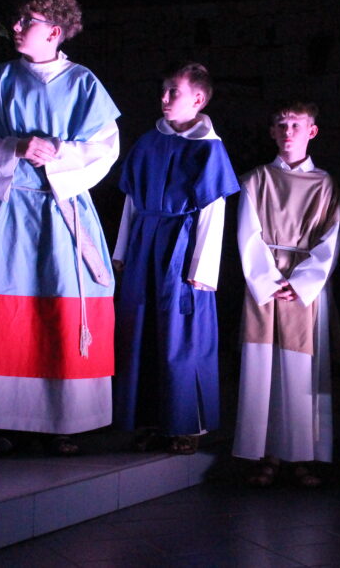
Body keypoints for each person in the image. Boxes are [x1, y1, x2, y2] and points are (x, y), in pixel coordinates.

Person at [0, 0, 121, 456]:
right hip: (9, 211)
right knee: (5, 309)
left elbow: (105, 148)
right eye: (18, 17)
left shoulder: (83, 83)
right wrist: (14, 147)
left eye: (27, 20)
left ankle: (64, 420)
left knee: (61, 307)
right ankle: (0, 419)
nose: (15, 26)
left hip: (62, 211)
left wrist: (57, 153)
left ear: (54, 31)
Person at [113, 62, 239, 455]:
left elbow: (213, 213)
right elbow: (132, 203)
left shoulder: (208, 149)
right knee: (142, 333)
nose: (164, 98)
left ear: (198, 99)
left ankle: (186, 424)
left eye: (174, 92)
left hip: (182, 251)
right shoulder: (149, 142)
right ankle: (152, 421)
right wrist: (120, 252)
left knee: (182, 335)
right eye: (164, 90)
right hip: (144, 246)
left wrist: (202, 268)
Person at [231, 102, 340, 487]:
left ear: (312, 131)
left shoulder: (325, 185)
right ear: (272, 132)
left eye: (296, 124)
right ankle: (266, 454)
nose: (288, 131)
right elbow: (248, 233)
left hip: (303, 285)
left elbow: (330, 240)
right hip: (264, 282)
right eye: (281, 125)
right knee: (263, 369)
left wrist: (302, 282)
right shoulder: (257, 180)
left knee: (301, 371)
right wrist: (267, 278)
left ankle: (301, 455)